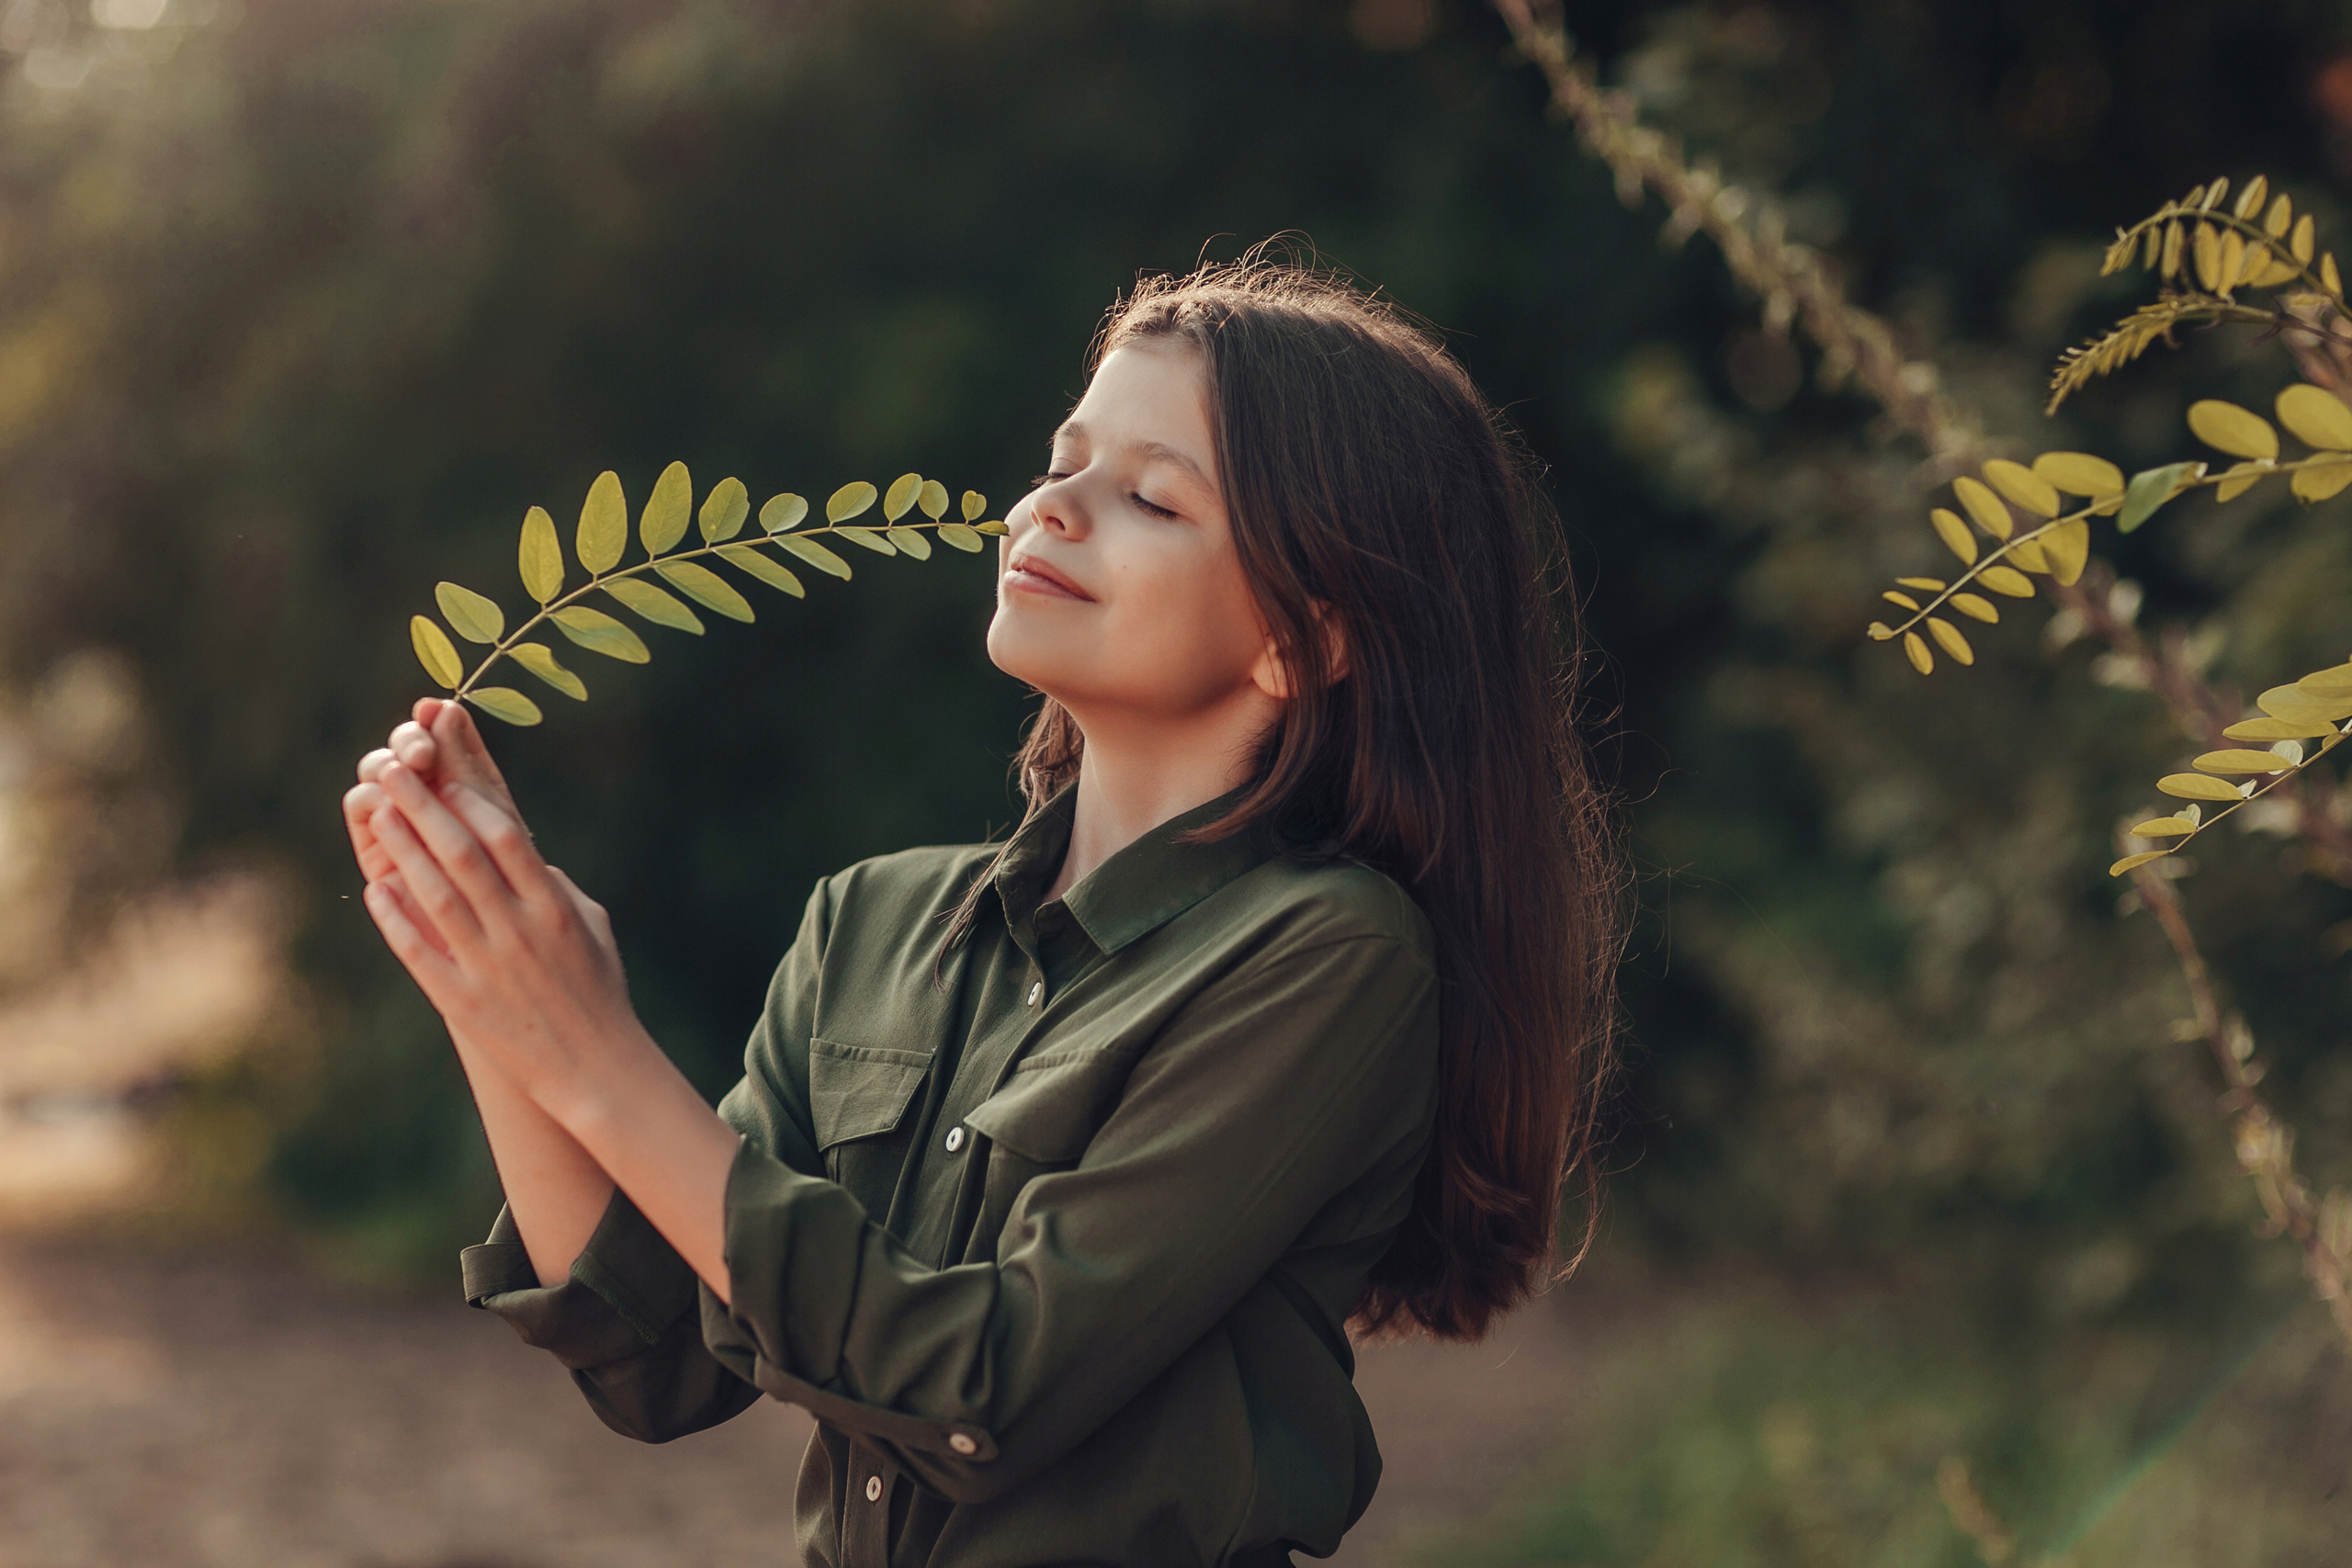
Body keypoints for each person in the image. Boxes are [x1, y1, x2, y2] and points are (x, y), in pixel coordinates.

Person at [341, 258, 1622, 1568]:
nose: (1052, 508)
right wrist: (486, 978)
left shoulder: (1330, 957)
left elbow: (983, 1391)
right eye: (1063, 461)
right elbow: (657, 1353)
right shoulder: (871, 921)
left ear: (1300, 643)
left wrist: (596, 1055)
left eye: (1150, 498)